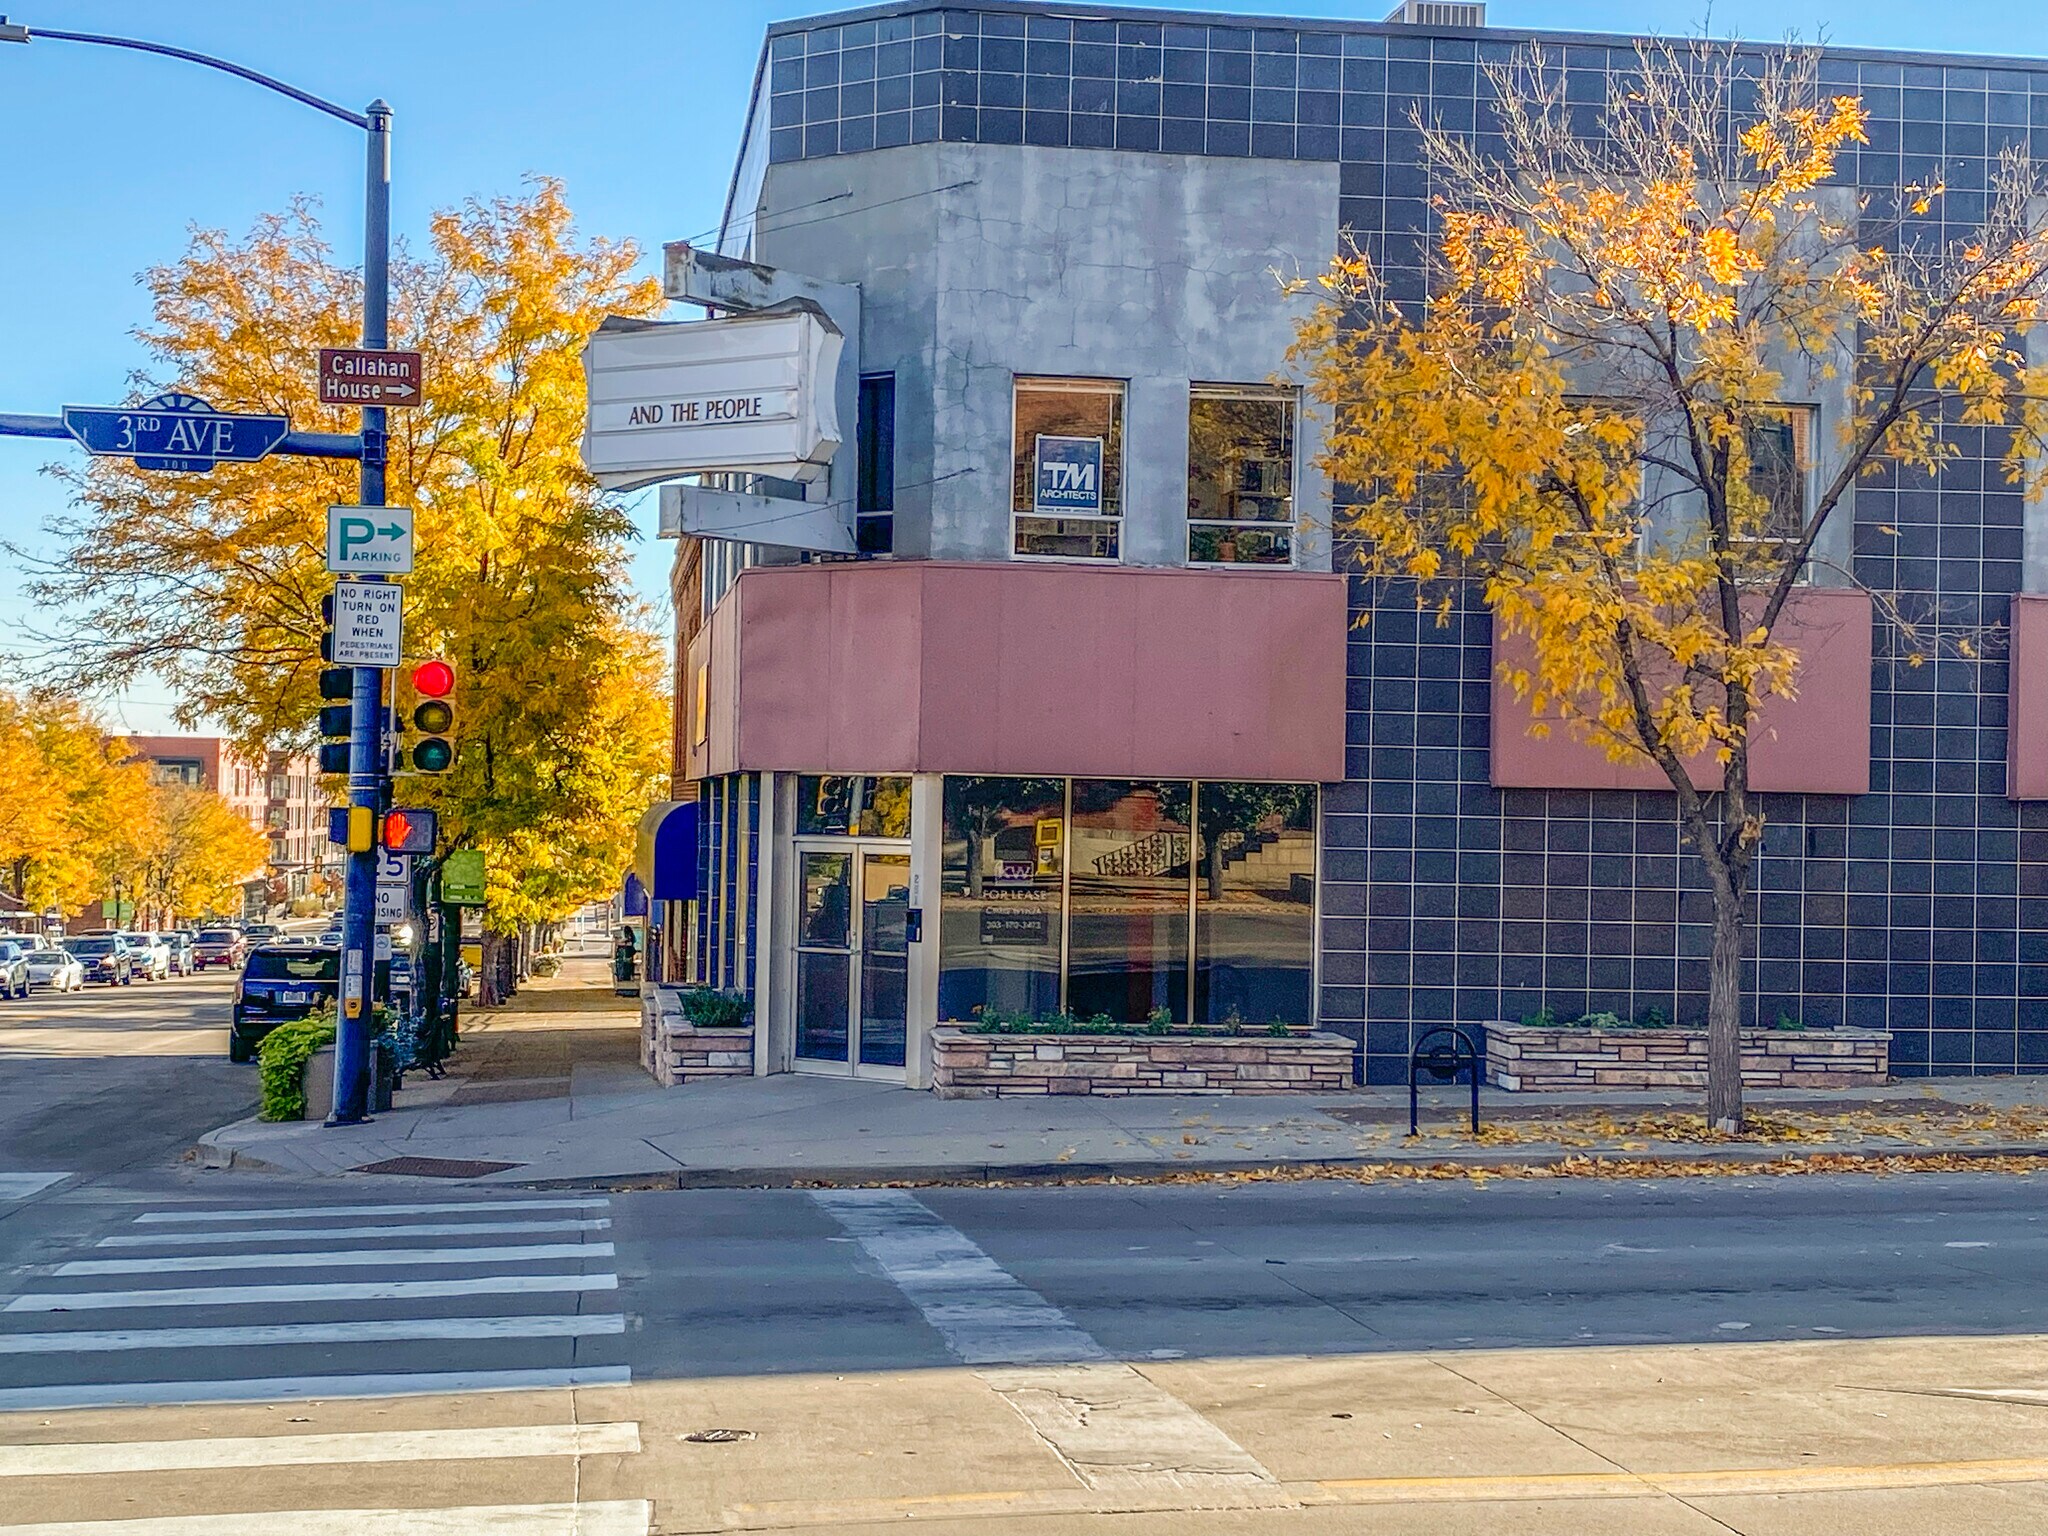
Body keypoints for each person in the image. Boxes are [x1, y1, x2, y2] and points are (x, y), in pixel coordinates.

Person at [612, 925, 638, 992]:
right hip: (628, 956)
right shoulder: (630, 938)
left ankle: (625, 978)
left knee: (626, 968)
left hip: (627, 956)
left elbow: (627, 943)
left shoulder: (629, 939)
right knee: (627, 968)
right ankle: (626, 978)